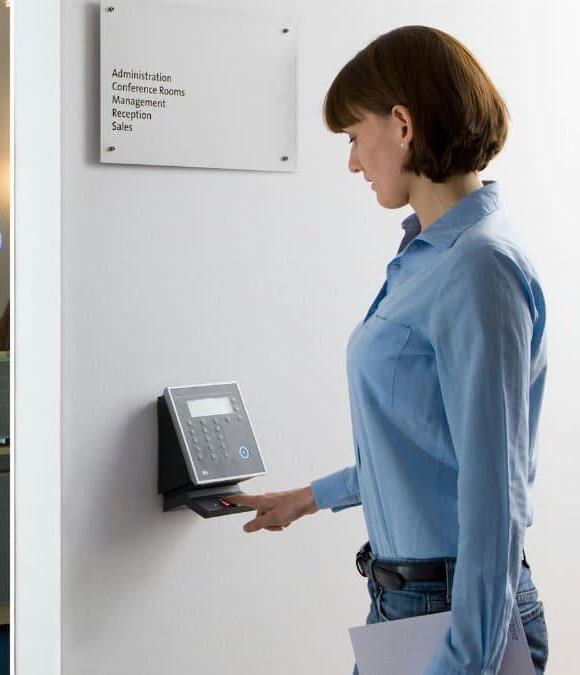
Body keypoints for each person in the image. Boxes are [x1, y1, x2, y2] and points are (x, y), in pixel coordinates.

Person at [228, 26, 548, 674]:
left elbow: (494, 501)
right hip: (407, 605)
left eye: (352, 136)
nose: (351, 161)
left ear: (401, 124)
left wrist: (466, 661)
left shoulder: (478, 267)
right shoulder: (426, 257)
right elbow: (430, 450)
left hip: (460, 615)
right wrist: (307, 498)